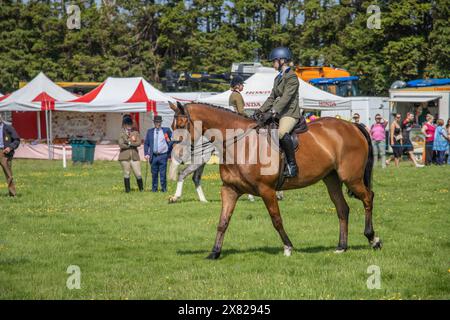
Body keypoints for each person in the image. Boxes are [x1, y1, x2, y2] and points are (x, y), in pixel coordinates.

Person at [255, 46, 302, 177]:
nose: (272, 63)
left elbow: (287, 97)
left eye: (274, 61)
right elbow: (272, 97)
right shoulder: (278, 78)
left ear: (282, 60)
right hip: (279, 112)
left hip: (290, 113)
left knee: (281, 133)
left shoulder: (292, 76)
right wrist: (260, 110)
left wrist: (274, 111)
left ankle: (292, 166)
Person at [144, 115, 173, 192]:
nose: (158, 123)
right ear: (154, 122)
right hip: (153, 156)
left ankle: (164, 189)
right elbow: (146, 143)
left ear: (161, 122)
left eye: (159, 122)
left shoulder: (166, 131)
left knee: (163, 174)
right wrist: (146, 153)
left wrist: (169, 153)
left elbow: (171, 142)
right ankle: (154, 189)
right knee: (154, 173)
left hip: (163, 155)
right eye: (156, 122)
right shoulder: (150, 132)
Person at [118, 115, 143, 193]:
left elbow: (139, 143)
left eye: (130, 124)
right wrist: (132, 144)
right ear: (124, 125)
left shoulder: (135, 133)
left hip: (135, 156)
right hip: (124, 156)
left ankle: (141, 190)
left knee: (138, 174)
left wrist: (128, 143)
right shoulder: (121, 134)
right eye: (127, 124)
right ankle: (127, 191)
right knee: (127, 173)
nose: (129, 126)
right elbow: (121, 144)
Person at [0, 114, 20, 197]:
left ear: (0, 118)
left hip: (5, 153)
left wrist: (10, 147)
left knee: (8, 174)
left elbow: (17, 140)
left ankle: (12, 194)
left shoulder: (8, 128)